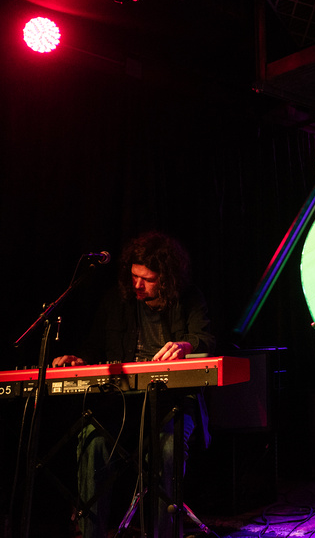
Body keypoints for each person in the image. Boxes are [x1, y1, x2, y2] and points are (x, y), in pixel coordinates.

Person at [51, 231, 216, 538]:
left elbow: (205, 338)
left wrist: (184, 345)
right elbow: (93, 347)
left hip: (173, 402)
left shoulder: (189, 298)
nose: (138, 285)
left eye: (148, 279)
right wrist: (78, 359)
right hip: (122, 405)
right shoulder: (116, 300)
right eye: (134, 276)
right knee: (93, 441)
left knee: (168, 447)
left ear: (166, 279)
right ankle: (90, 533)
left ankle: (164, 534)